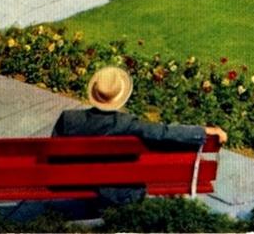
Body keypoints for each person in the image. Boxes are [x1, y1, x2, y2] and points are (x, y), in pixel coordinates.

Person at [53, 66, 228, 205]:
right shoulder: (128, 124)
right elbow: (164, 133)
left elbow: (53, 156)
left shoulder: (68, 119)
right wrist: (203, 131)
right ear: (120, 96)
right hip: (118, 190)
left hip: (76, 181)